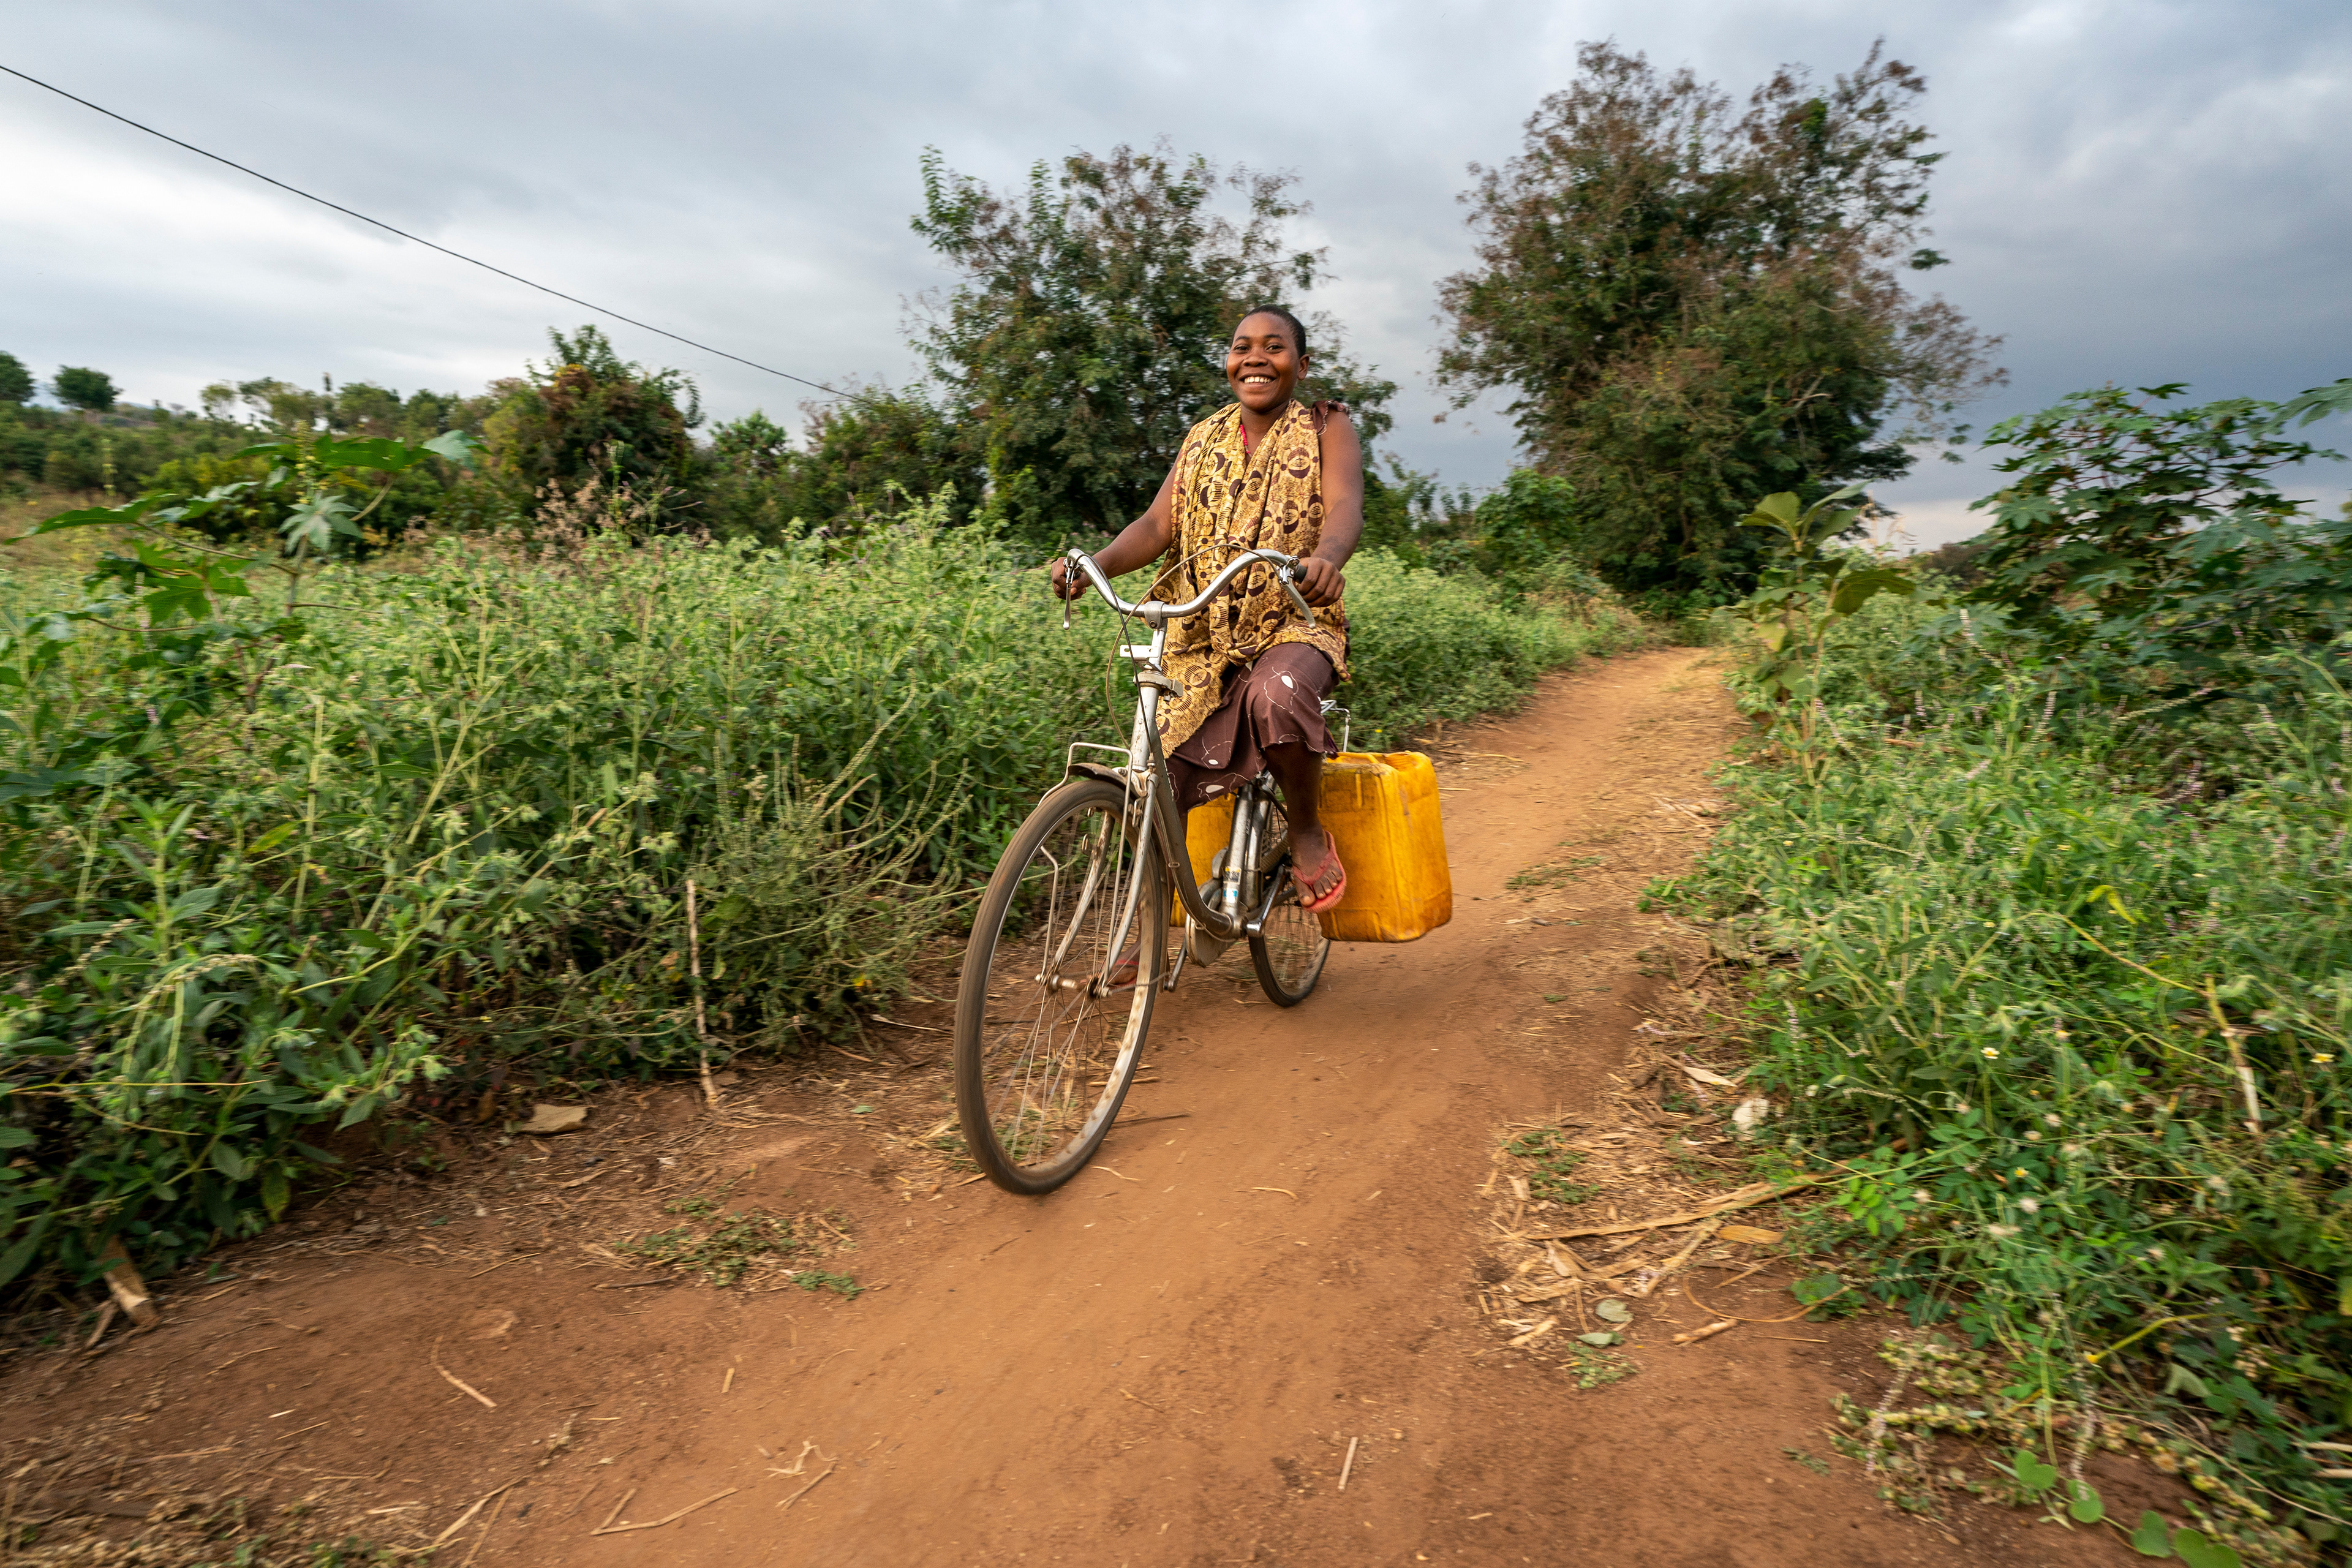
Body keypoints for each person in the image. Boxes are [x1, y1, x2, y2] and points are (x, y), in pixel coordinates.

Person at [1050, 305, 1361, 914]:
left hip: (1294, 619)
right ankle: (1146, 924)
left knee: (1279, 692)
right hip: (1201, 631)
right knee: (1148, 778)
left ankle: (1304, 831)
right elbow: (1158, 524)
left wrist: (1327, 558)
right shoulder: (1202, 437)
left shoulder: (1328, 427)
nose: (1255, 357)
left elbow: (1346, 504)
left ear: (1301, 364)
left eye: (1274, 347)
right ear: (1227, 361)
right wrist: (1095, 565)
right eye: (1242, 346)